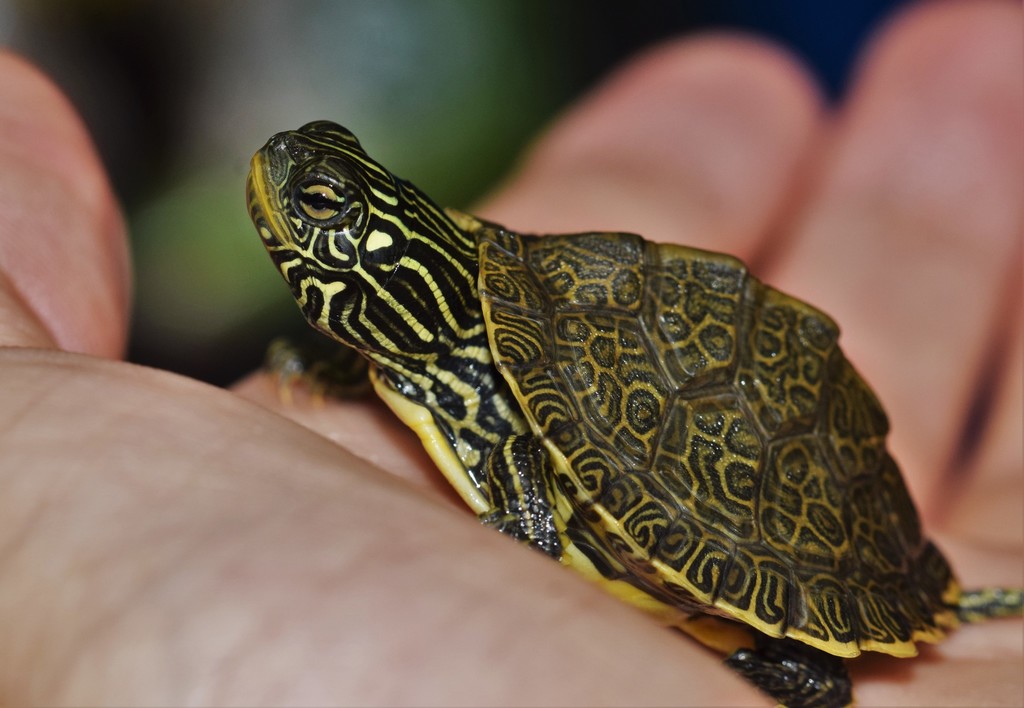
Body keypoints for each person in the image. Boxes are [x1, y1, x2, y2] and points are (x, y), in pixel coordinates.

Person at [0, 1, 1019, 704]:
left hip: (806, 532)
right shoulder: (437, 347)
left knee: (798, 670)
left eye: (325, 205)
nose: (286, 185)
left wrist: (521, 536)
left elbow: (532, 455)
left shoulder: (488, 350)